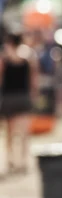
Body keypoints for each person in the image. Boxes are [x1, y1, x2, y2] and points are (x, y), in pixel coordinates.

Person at [0, 30, 38, 174]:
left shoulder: (5, 57)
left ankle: (10, 160)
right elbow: (33, 79)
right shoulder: (29, 56)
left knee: (9, 133)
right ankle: (23, 161)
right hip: (23, 97)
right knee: (24, 133)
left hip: (9, 97)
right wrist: (34, 95)